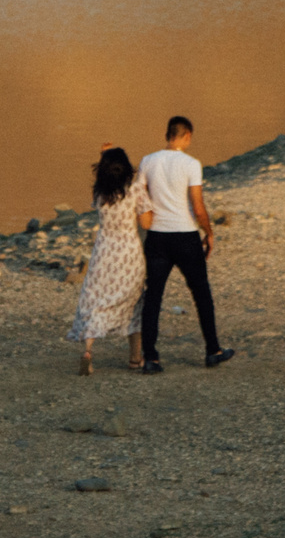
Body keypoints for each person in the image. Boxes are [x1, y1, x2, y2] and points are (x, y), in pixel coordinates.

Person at [137, 115, 234, 373]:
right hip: (185, 236)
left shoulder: (148, 161)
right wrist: (209, 231)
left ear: (167, 134)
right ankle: (212, 349)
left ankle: (151, 358)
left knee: (153, 296)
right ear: (187, 136)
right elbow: (198, 205)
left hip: (157, 236)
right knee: (201, 293)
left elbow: (139, 198)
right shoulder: (191, 164)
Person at [68, 146, 152, 373]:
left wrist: (103, 157)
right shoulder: (135, 191)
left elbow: (108, 176)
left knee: (96, 301)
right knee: (134, 303)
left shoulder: (100, 194)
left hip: (103, 254)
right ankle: (135, 358)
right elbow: (146, 223)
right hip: (128, 255)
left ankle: (88, 349)